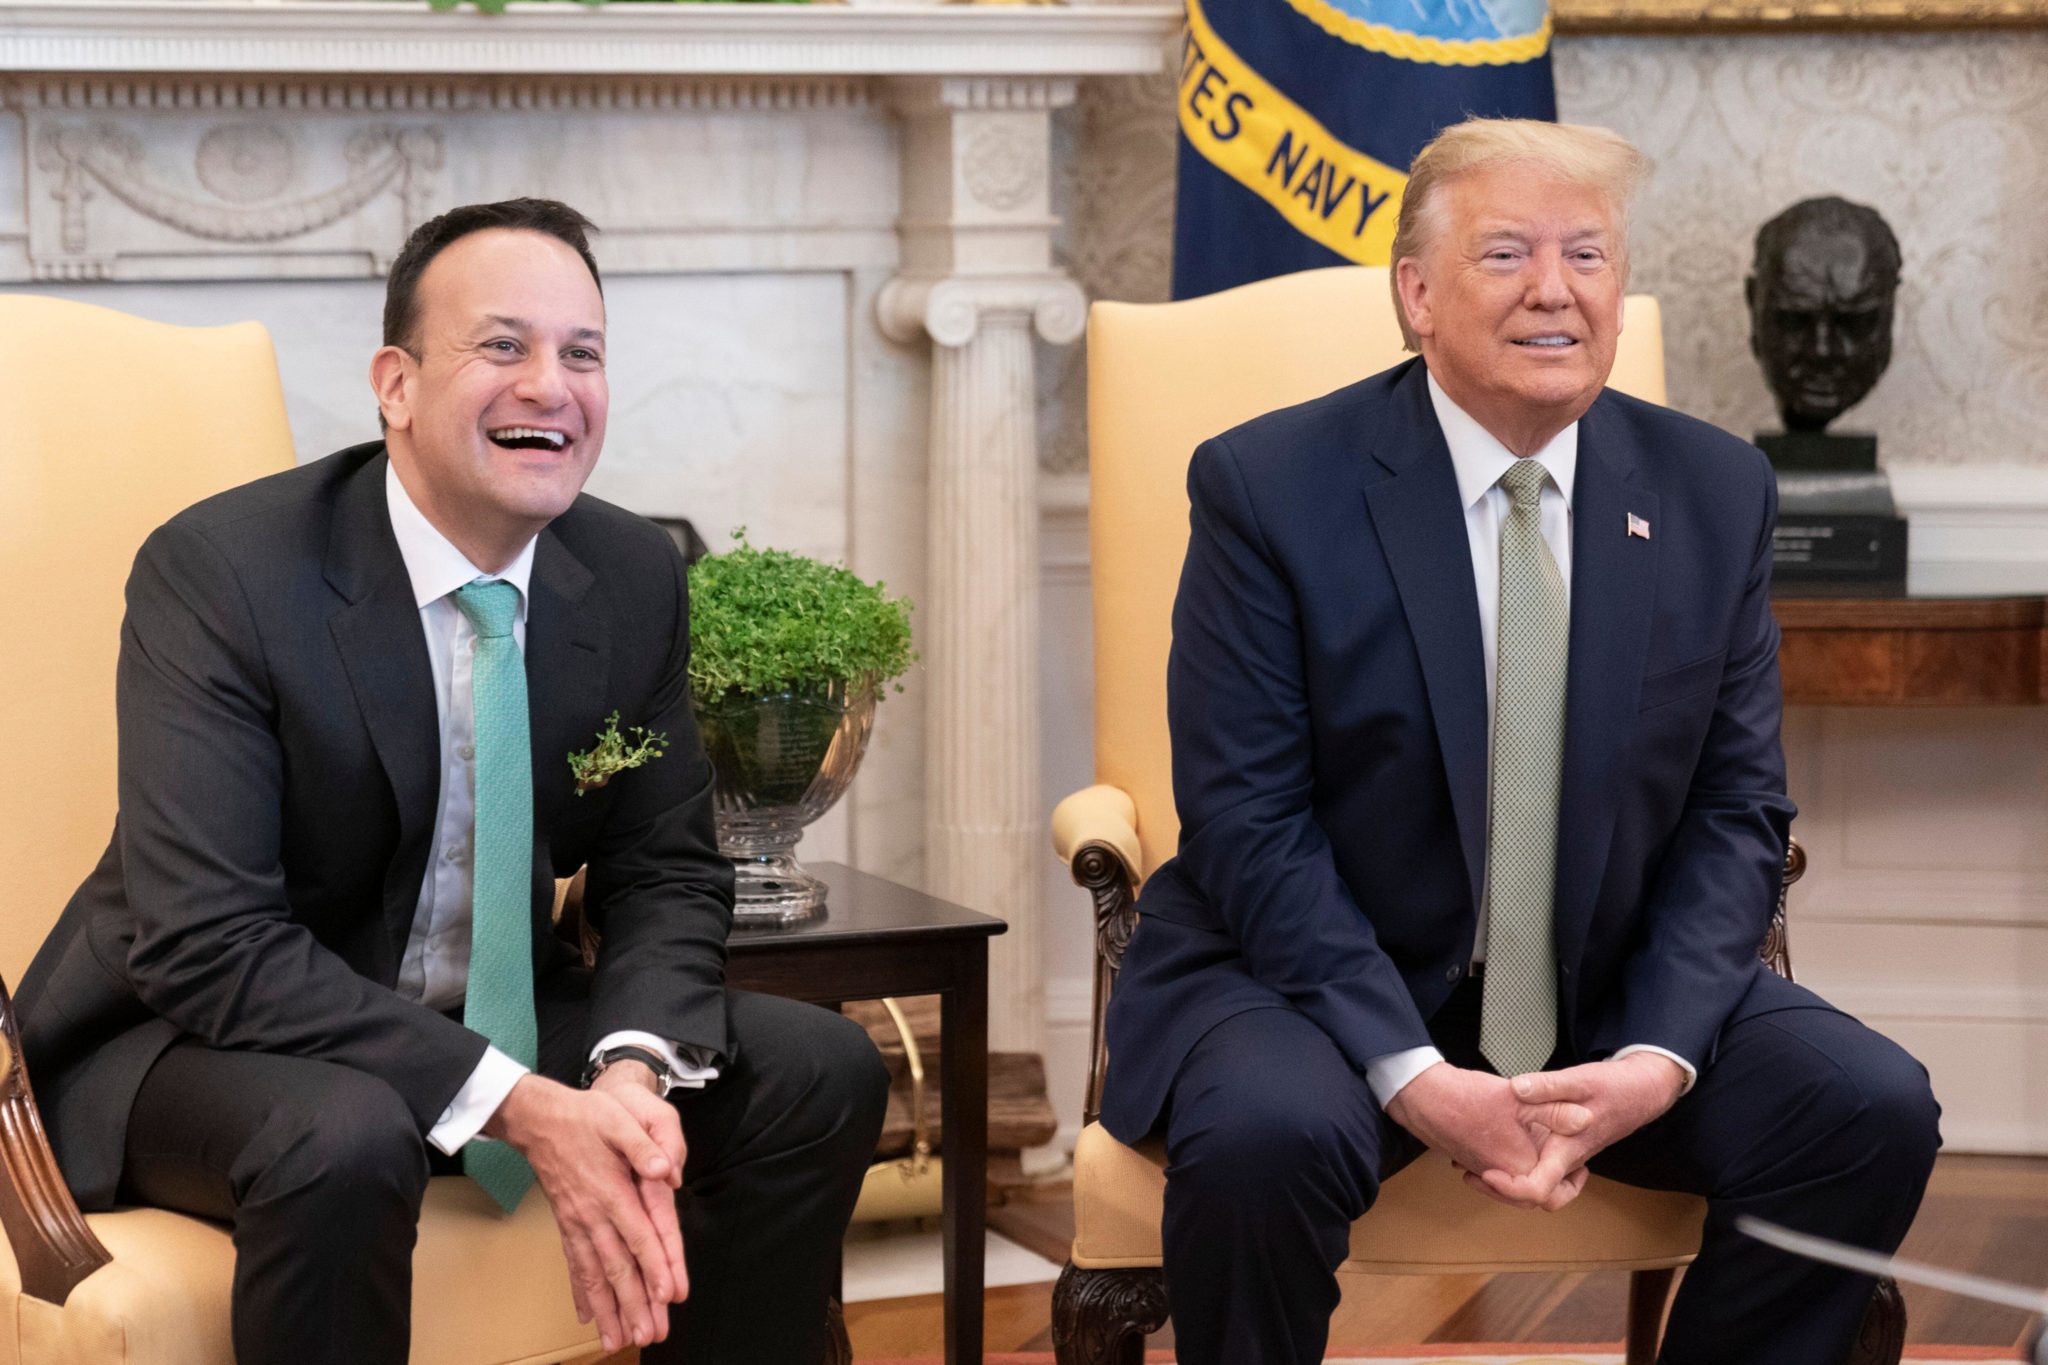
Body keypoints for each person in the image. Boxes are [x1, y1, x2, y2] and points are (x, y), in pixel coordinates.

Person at [1099, 120, 1941, 1365]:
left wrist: (1655, 1054)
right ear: (1416, 295)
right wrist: (1412, 1072)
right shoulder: (1268, 487)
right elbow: (1246, 823)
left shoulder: (1711, 490)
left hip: (1604, 990)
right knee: (1263, 1138)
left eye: (1586, 255)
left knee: (1865, 1110)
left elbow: (1734, 814)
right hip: (1313, 988)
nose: (1554, 290)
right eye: (1505, 254)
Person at [17, 198, 889, 1365]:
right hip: (192, 1043)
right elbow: (206, 943)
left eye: (582, 353)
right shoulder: (224, 572)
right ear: (396, 384)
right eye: (503, 346)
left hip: (490, 1020)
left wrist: (629, 1069)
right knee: (346, 1132)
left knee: (814, 1070)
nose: (550, 385)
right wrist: (524, 1106)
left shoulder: (629, 572)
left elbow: (666, 870)